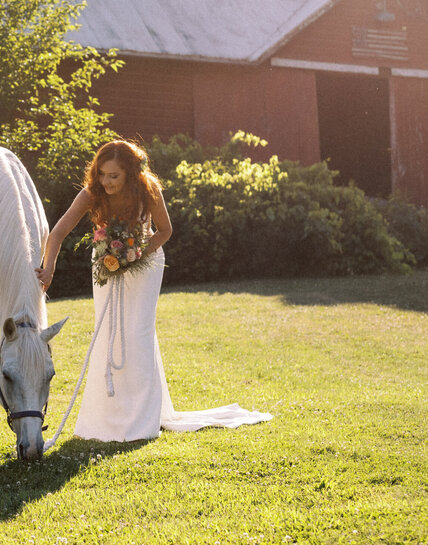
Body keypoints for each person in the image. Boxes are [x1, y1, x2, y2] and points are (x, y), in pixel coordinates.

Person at [36, 140, 271, 441]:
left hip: (145, 259)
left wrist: (134, 254)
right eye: (102, 174)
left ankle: (143, 420)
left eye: (114, 176)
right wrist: (49, 269)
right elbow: (57, 233)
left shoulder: (148, 190)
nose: (106, 182)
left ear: (130, 175)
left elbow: (165, 231)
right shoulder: (92, 193)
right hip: (105, 262)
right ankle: (107, 416)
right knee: (108, 332)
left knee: (137, 333)